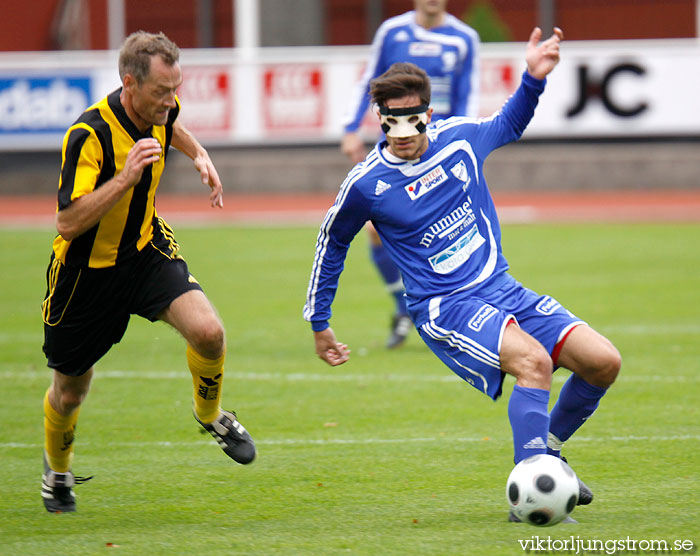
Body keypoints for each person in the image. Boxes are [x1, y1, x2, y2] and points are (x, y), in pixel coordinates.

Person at [304, 28, 621, 521]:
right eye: (391, 124)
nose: (403, 135)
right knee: (533, 364)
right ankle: (531, 488)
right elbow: (333, 241)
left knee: (603, 362)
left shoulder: (459, 140)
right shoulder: (366, 183)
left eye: (412, 121)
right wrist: (319, 320)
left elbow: (509, 123)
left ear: (428, 114)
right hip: (445, 308)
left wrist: (533, 79)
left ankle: (548, 456)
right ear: (380, 120)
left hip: (502, 289)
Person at [40, 31, 256, 514]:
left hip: (143, 252)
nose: (171, 100)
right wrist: (125, 177)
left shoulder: (162, 108)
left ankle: (212, 415)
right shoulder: (87, 135)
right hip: (85, 275)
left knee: (209, 332)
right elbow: (68, 221)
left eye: (176, 88)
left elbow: (174, 124)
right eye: (162, 91)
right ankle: (57, 472)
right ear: (129, 84)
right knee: (71, 390)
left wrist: (200, 155)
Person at [342, 0, 481, 349]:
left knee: (448, 229)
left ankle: (457, 310)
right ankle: (404, 307)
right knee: (374, 227)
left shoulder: (464, 38)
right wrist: (350, 127)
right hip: (393, 145)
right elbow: (369, 80)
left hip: (439, 149)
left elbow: (467, 92)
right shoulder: (392, 31)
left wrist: (464, 142)